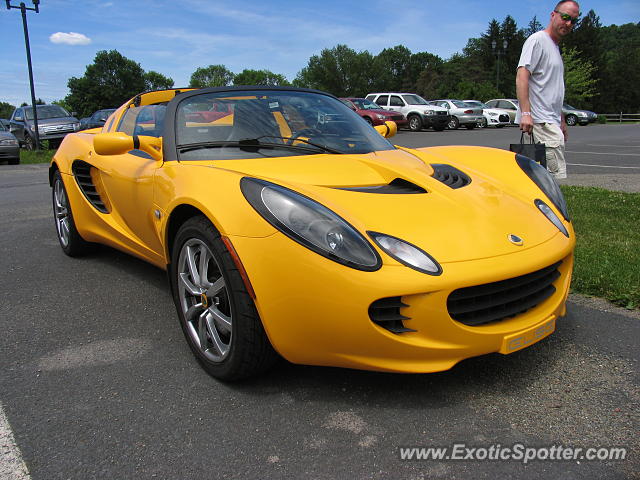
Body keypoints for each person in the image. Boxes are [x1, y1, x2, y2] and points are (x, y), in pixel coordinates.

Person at [516, 0, 580, 179]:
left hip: (550, 121)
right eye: (565, 17)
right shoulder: (537, 40)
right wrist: (526, 113)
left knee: (538, 181)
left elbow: (553, 89)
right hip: (540, 123)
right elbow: (522, 75)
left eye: (573, 20)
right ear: (553, 15)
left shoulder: (555, 47)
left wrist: (561, 119)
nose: (568, 23)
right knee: (548, 181)